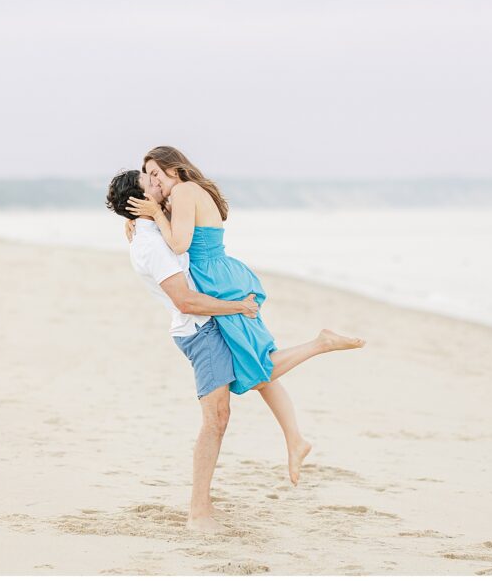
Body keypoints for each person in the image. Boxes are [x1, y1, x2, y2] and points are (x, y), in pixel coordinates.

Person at [125, 145, 366, 475]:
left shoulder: (183, 190)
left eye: (156, 174)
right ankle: (295, 439)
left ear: (175, 170)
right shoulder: (185, 193)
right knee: (254, 365)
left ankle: (320, 344)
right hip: (218, 277)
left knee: (256, 368)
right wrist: (143, 219)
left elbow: (179, 245)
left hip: (217, 282)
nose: (153, 182)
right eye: (148, 176)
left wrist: (154, 215)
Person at [105, 168, 253, 533]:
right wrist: (240, 307)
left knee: (226, 410)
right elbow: (185, 301)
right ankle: (198, 514)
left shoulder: (153, 229)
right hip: (198, 331)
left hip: (202, 325)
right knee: (215, 420)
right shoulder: (151, 245)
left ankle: (203, 506)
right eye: (150, 184)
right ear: (139, 202)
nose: (159, 185)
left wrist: (147, 215)